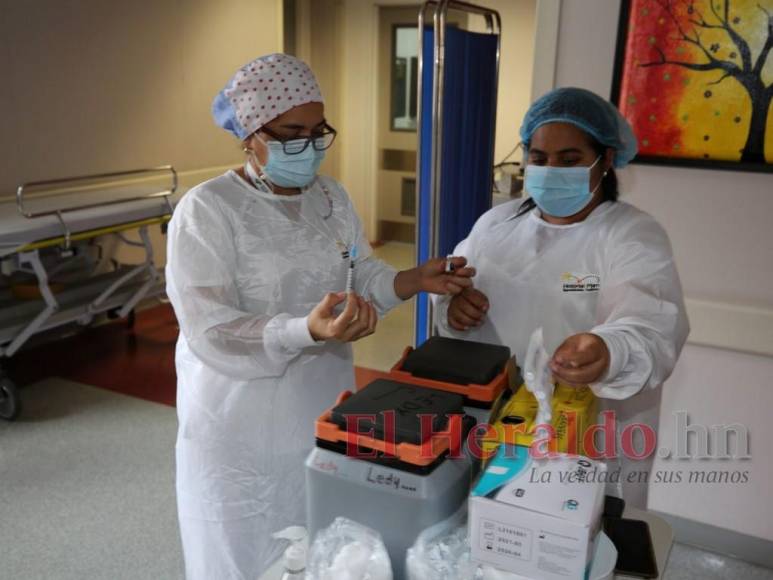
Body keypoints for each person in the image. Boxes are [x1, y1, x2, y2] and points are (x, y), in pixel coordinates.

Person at [165, 53, 475, 579]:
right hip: (237, 423)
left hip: (319, 406)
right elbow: (209, 328)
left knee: (318, 540)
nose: (307, 147)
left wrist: (413, 280)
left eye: (317, 131)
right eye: (290, 132)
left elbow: (362, 274)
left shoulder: (330, 197)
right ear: (250, 134)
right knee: (240, 551)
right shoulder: (207, 210)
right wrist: (303, 330)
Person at [434, 87, 689, 509]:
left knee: (570, 542)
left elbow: (652, 326)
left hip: (586, 430)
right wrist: (452, 308)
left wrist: (608, 350)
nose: (551, 171)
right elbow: (452, 289)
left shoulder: (631, 236)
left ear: (605, 160)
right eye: (539, 158)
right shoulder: (495, 225)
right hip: (499, 420)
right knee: (492, 526)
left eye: (569, 160)